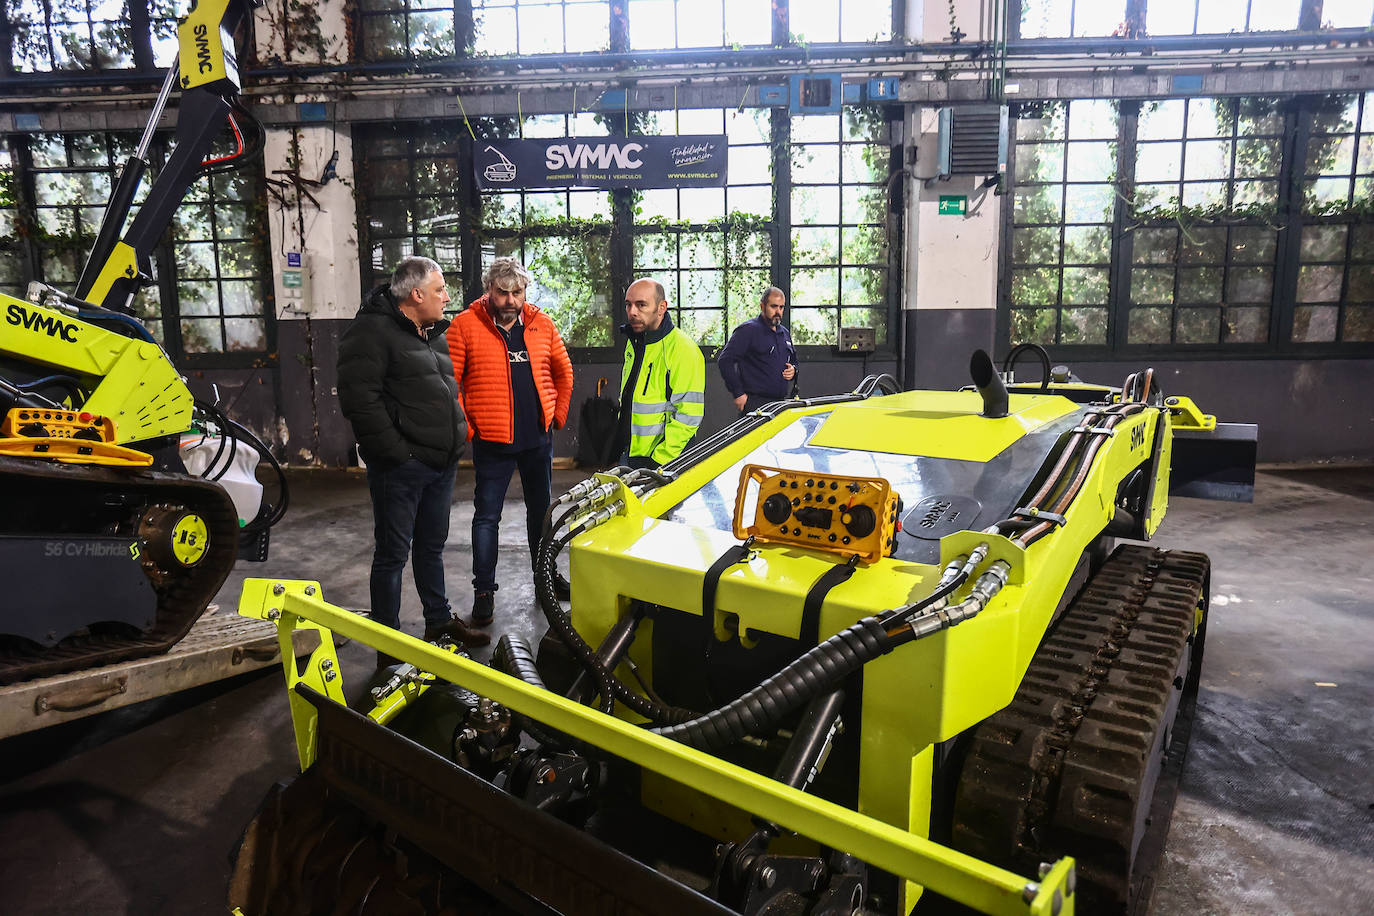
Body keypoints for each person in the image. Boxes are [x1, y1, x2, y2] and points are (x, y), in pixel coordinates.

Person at [337, 256, 489, 661]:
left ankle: (438, 620)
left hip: (440, 462)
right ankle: (389, 642)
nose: (447, 297)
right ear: (416, 294)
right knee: (391, 555)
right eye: (440, 290)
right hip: (402, 467)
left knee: (431, 547)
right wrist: (397, 454)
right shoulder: (370, 332)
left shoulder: (431, 331)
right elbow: (359, 401)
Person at [447, 257, 574, 625]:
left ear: (524, 292)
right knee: (487, 517)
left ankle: (544, 578)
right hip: (492, 443)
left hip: (537, 439)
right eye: (502, 293)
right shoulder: (465, 326)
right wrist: (469, 428)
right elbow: (449, 384)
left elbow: (563, 372)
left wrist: (557, 415)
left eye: (516, 293)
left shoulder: (541, 325)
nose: (509, 301)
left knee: (543, 512)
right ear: (489, 291)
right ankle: (484, 591)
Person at [615, 278, 705, 469]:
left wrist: (660, 460)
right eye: (628, 305)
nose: (632, 312)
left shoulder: (683, 349)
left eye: (641, 305)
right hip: (631, 455)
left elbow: (689, 415)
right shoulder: (634, 342)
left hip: (664, 461)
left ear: (662, 307)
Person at [717, 286, 797, 415]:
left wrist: (793, 370)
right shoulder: (748, 331)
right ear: (762, 306)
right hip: (755, 403)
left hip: (780, 404)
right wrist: (738, 393)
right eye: (774, 306)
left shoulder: (784, 333)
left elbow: (794, 361)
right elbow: (725, 361)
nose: (778, 311)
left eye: (781, 307)